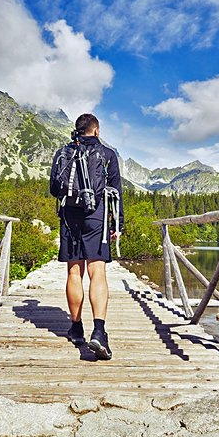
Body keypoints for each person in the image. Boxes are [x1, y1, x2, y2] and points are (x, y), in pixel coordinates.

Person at [49, 113, 124, 360]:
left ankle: (76, 327)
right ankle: (99, 331)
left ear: (77, 130)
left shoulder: (62, 152)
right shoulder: (108, 154)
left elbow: (53, 189)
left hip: (70, 215)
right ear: (97, 130)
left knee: (74, 272)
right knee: (97, 272)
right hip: (97, 216)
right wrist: (117, 223)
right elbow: (116, 192)